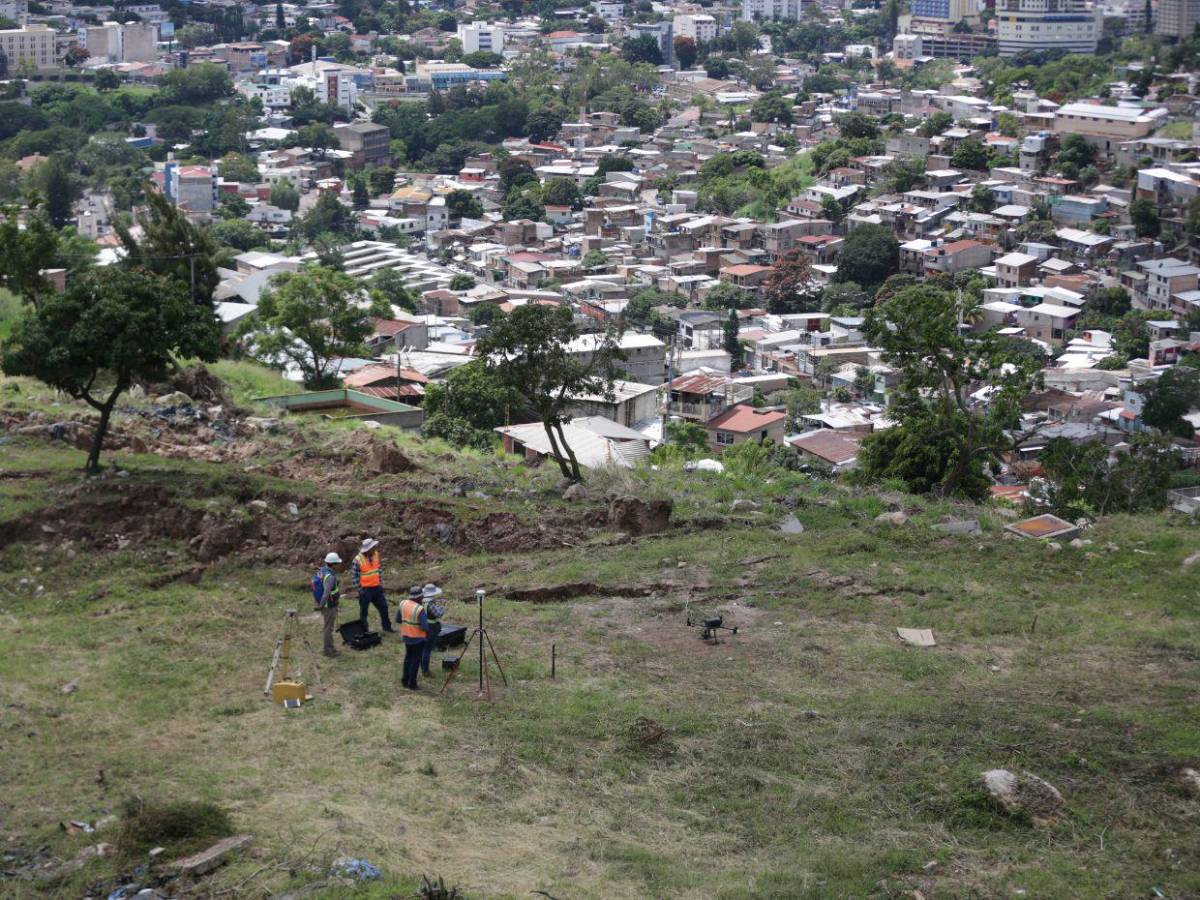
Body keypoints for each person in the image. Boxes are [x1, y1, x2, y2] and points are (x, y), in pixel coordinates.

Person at [352, 538, 394, 634]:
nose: (375, 548)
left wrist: (380, 582)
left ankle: (387, 627)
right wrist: (359, 589)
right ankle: (365, 631)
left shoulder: (375, 554)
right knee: (364, 613)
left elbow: (378, 569)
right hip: (365, 590)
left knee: (384, 608)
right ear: (368, 549)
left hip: (376, 588)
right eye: (373, 547)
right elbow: (354, 576)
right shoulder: (357, 560)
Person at [399, 584, 428, 690]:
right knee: (415, 661)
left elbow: (398, 619)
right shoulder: (420, 609)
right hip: (417, 639)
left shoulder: (403, 603)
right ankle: (412, 684)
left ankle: (404, 680)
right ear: (420, 597)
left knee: (408, 658)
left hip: (406, 636)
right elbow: (425, 627)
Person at [314, 552, 343, 658]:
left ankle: (330, 648)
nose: (338, 566)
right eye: (337, 563)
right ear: (333, 564)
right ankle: (328, 651)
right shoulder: (330, 577)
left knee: (328, 628)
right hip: (328, 606)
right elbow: (326, 593)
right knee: (328, 629)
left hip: (326, 604)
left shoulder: (322, 571)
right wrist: (321, 606)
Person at [419, 583, 446, 676]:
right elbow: (438, 614)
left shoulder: (421, 600)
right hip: (430, 628)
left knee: (422, 649)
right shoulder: (430, 604)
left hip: (422, 626)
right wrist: (443, 606)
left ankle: (422, 667)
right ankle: (425, 671)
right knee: (427, 650)